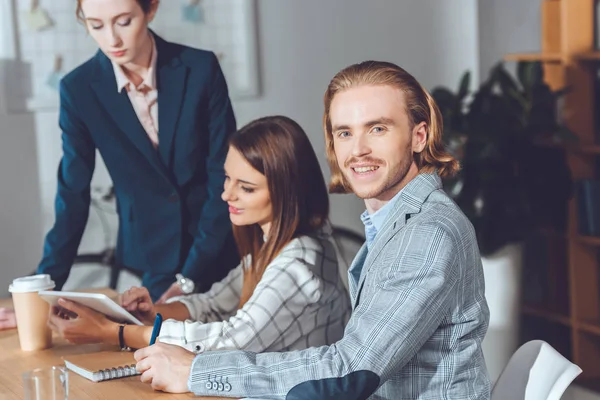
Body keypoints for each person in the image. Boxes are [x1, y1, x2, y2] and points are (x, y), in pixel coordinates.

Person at [132, 61, 491, 399]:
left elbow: (350, 369)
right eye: (345, 133)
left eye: (377, 128)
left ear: (418, 136)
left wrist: (197, 370)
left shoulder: (425, 234)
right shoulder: (397, 222)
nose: (358, 150)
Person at [47, 116, 351, 355]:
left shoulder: (298, 263)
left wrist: (114, 332)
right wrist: (148, 314)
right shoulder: (272, 244)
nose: (226, 195)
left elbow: (232, 341)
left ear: (288, 192)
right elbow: (215, 304)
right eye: (228, 178)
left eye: (246, 188)